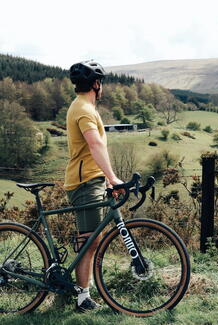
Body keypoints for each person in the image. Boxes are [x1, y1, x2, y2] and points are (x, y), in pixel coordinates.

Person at [64, 60, 123, 312]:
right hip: (85, 182)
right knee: (88, 240)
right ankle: (82, 298)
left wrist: (106, 178)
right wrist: (113, 178)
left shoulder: (84, 106)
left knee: (92, 239)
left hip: (91, 179)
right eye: (102, 83)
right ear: (97, 84)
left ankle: (79, 289)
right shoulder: (84, 110)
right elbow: (95, 144)